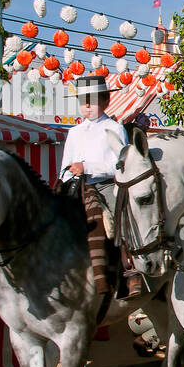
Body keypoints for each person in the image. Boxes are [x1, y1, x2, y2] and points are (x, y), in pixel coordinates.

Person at [61, 75, 132, 297]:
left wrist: (87, 167)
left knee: (120, 221)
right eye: (83, 101)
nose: (87, 106)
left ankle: (131, 271)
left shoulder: (115, 128)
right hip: (77, 188)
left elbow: (120, 165)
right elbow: (64, 166)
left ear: (105, 101)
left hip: (105, 186)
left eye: (92, 100)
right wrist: (67, 178)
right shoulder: (74, 132)